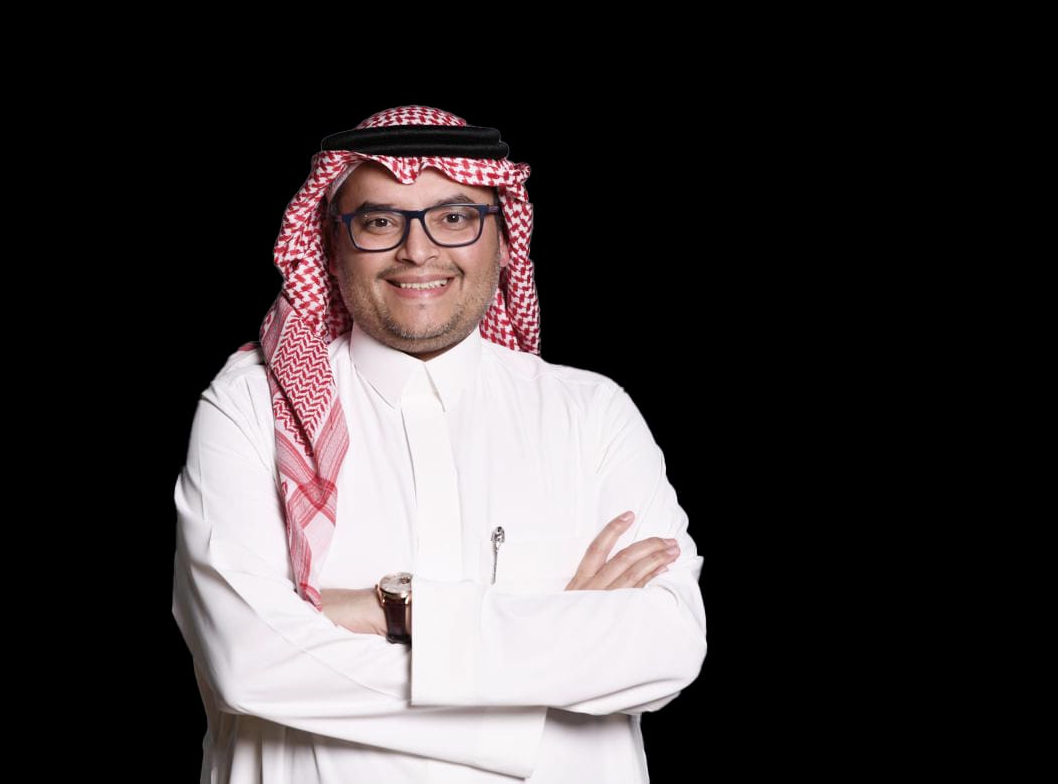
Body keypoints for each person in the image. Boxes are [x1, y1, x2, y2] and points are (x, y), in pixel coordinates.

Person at [171, 105, 707, 782]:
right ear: (331, 245)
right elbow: (250, 662)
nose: (418, 251)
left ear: (505, 238)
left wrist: (390, 611)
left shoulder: (593, 412)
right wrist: (552, 652)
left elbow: (666, 647)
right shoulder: (250, 406)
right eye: (379, 222)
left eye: (455, 217)